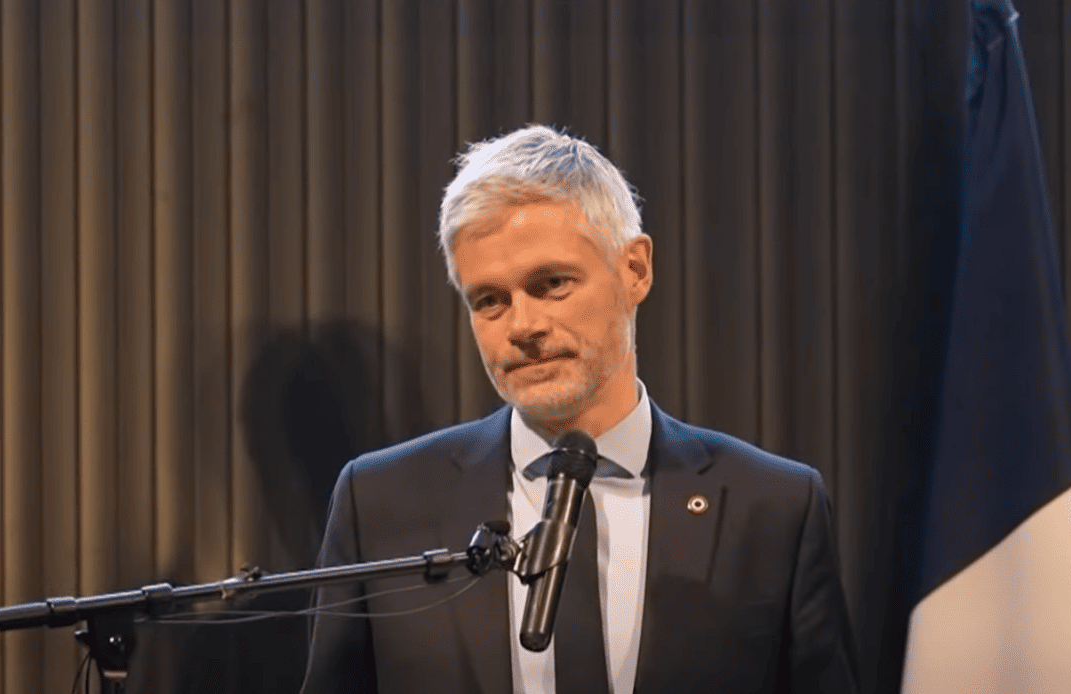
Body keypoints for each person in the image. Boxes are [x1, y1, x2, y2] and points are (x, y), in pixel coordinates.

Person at [301, 125, 858, 694]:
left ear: (635, 270)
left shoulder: (774, 507)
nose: (523, 326)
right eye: (490, 300)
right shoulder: (381, 502)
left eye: (551, 284)